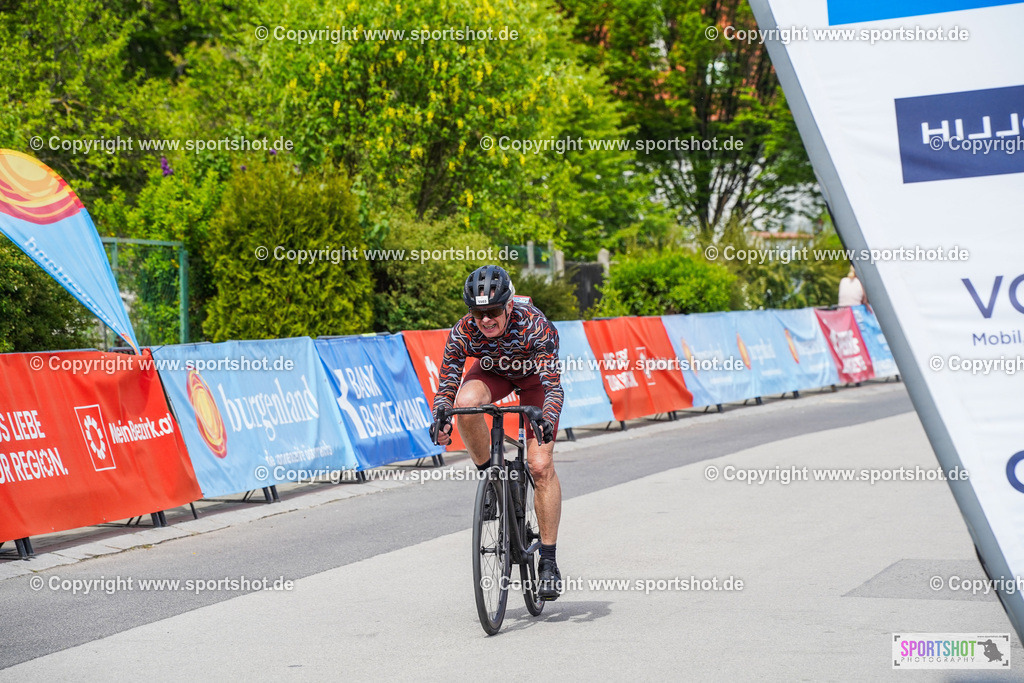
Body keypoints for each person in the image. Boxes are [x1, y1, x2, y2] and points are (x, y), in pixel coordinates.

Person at [429, 265, 565, 600]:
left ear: (507, 306)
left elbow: (552, 387)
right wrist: (441, 417)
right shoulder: (465, 330)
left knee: (539, 465)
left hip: (534, 380)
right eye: (478, 313)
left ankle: (548, 561)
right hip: (494, 370)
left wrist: (545, 420)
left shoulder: (534, 325)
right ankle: (490, 477)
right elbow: (447, 382)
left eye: (492, 312)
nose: (485, 320)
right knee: (466, 402)